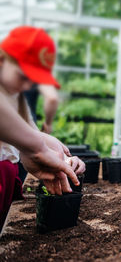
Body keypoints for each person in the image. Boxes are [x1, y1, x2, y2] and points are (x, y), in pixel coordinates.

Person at [0, 26, 85, 229]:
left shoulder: (15, 97)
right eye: (23, 76)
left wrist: (62, 156)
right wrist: (37, 148)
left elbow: (29, 132)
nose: (28, 86)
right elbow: (31, 141)